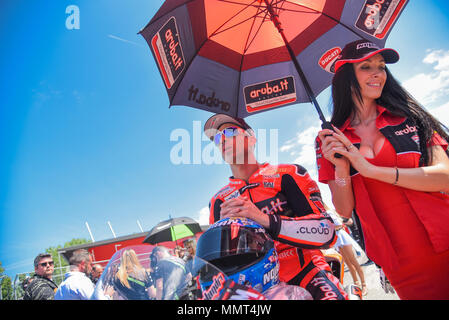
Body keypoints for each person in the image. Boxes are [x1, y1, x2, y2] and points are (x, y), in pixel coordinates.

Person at [316, 39, 449, 299]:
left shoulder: (410, 117)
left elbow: (444, 176)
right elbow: (343, 210)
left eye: (381, 66)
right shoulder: (330, 140)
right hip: (400, 263)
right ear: (346, 77)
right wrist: (342, 168)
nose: (378, 73)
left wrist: (371, 170)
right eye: (366, 67)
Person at [204, 113, 348, 300]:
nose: (222, 139)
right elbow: (218, 268)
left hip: (306, 274)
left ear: (252, 138)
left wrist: (263, 219)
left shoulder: (287, 174)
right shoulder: (219, 201)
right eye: (217, 138)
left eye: (230, 132)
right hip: (254, 290)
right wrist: (225, 230)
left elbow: (326, 232)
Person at [328, 210, 367, 296]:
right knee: (347, 263)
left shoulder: (331, 212)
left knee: (353, 260)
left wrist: (331, 227)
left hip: (342, 236)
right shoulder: (325, 213)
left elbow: (340, 224)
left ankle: (364, 285)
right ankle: (356, 283)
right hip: (336, 238)